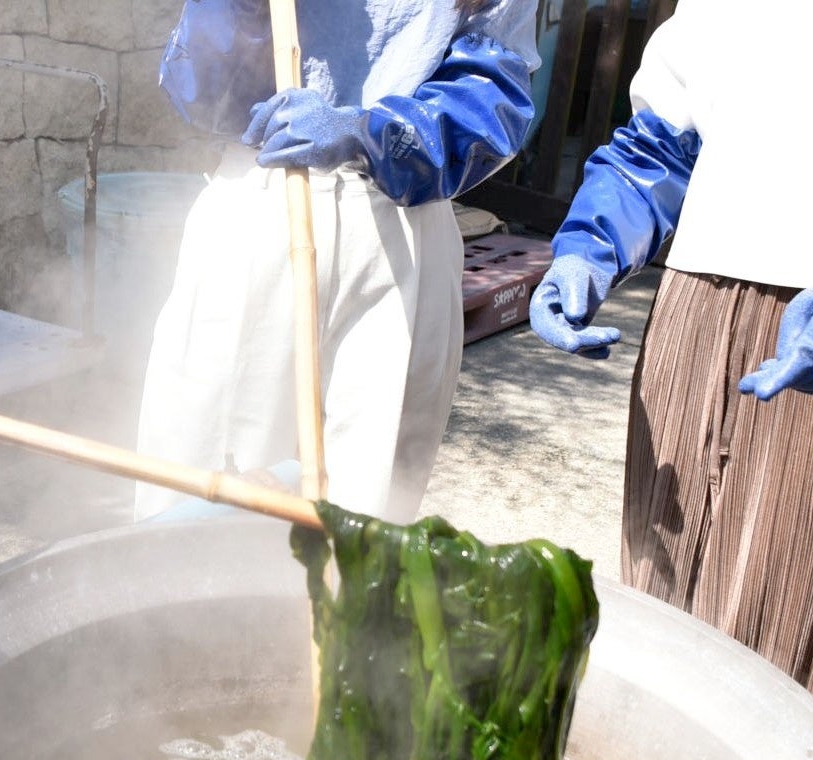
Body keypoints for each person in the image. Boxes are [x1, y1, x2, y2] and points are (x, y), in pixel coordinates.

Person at [528, 0, 813, 723]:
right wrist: (589, 247)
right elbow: (656, 150)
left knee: (790, 603)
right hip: (691, 314)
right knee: (662, 584)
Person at [135, 0, 541, 523]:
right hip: (261, 201)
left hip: (401, 221)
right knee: (203, 478)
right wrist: (243, 10)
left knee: (366, 506)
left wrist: (372, 134)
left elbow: (493, 93)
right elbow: (200, 87)